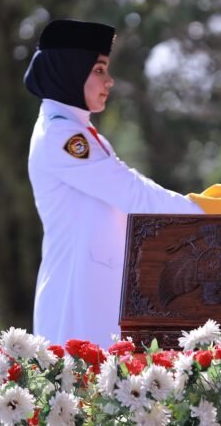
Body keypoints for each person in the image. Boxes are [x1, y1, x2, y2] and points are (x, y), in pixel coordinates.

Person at [24, 19, 203, 347]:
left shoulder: (76, 131)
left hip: (97, 286)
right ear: (70, 70)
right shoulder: (63, 137)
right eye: (98, 70)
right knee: (83, 392)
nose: (109, 81)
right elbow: (133, 193)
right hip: (77, 293)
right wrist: (205, 214)